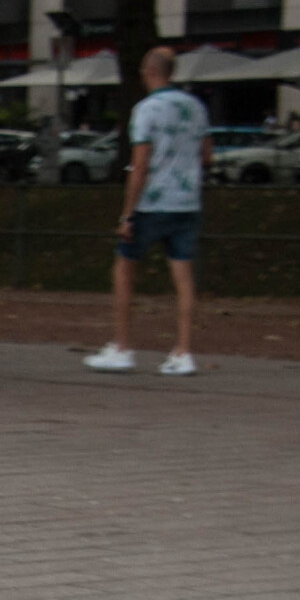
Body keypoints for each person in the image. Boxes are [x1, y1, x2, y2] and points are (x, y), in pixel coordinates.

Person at [85, 45, 212, 377]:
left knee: (125, 268)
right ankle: (183, 352)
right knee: (183, 278)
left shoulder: (146, 110)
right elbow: (207, 155)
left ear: (150, 72)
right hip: (187, 201)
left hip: (153, 202)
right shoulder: (196, 107)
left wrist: (128, 213)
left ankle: (123, 346)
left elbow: (140, 164)